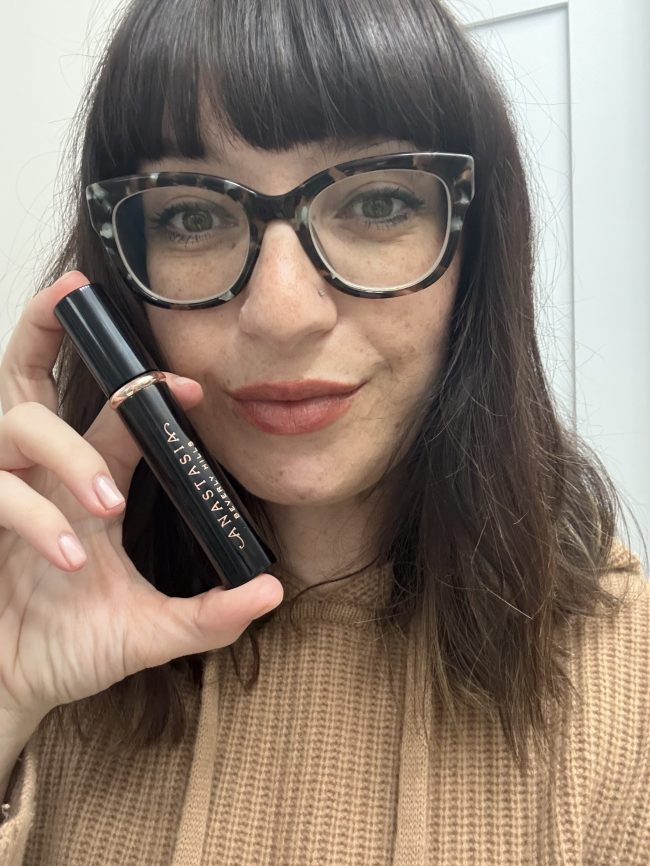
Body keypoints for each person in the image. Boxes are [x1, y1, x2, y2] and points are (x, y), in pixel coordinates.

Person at [0, 0, 648, 863]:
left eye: (377, 201)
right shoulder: (45, 625)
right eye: (192, 216)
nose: (282, 314)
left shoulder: (630, 691)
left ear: (475, 255)